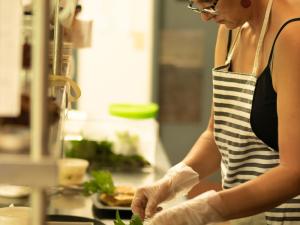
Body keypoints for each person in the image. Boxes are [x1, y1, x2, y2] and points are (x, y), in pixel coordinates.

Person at [131, 0, 300, 224]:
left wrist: (204, 209)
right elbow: (216, 135)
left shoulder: (291, 37)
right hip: (244, 217)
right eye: (196, 4)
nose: (205, 16)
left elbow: (294, 172)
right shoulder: (230, 32)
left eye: (210, 3)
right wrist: (172, 182)